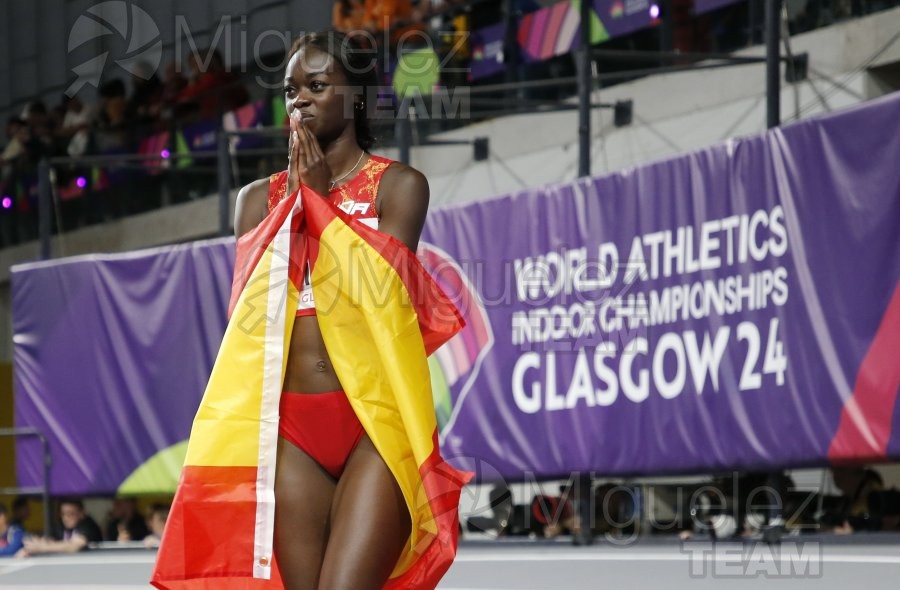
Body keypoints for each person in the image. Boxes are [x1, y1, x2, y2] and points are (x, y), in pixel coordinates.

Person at [229, 29, 437, 589]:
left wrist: (317, 205)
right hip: (291, 429)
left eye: (317, 85)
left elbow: (381, 299)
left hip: (374, 422)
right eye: (290, 88)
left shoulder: (398, 187)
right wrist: (296, 201)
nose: (298, 98)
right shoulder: (255, 201)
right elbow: (249, 318)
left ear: (358, 95)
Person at [18, 498, 102, 556]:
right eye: (63, 514)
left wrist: (43, 547)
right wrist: (28, 550)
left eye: (70, 513)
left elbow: (74, 546)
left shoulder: (88, 525)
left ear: (81, 514)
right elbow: (45, 541)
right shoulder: (59, 527)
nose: (65, 518)